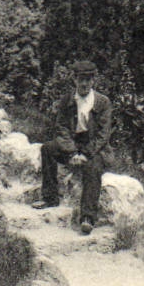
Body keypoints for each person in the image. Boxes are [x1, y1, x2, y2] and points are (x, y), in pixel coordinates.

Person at [34, 60, 112, 234]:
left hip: (94, 147)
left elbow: (103, 135)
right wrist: (71, 152)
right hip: (72, 144)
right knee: (47, 149)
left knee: (93, 168)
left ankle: (87, 217)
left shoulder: (103, 102)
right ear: (74, 80)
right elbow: (61, 128)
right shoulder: (67, 100)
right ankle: (50, 197)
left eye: (88, 79)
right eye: (80, 79)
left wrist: (84, 154)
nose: (84, 83)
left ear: (93, 81)